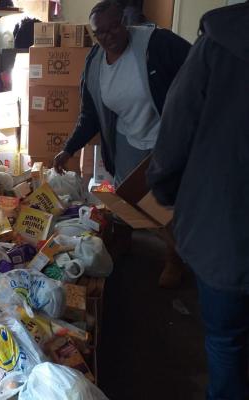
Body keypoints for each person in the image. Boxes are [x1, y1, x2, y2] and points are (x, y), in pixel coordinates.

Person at [147, 3, 249, 399]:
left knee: (226, 342)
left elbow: (176, 128)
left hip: (227, 231)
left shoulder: (220, 42)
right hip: (225, 230)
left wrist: (166, 192)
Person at [53, 0, 191, 287]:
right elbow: (89, 114)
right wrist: (69, 148)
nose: (108, 36)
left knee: (165, 203)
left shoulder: (156, 43)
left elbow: (195, 70)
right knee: (126, 197)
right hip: (127, 137)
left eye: (114, 27)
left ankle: (175, 257)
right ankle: (125, 240)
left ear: (125, 21)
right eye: (100, 33)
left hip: (165, 136)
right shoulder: (95, 63)